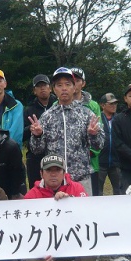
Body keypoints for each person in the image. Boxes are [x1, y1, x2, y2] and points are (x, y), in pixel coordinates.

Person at [18, 155, 97, 261]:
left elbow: (88, 215)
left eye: (57, 170)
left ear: (64, 172)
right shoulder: (32, 195)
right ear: (41, 173)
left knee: (90, 240)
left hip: (73, 239)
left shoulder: (77, 187)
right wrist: (40, 249)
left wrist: (70, 202)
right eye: (49, 170)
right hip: (46, 243)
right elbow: (25, 227)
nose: (53, 174)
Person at [28, 67, 105, 196]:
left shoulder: (86, 114)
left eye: (68, 84)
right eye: (59, 85)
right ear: (53, 89)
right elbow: (36, 150)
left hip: (81, 179)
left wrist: (94, 134)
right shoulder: (47, 117)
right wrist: (37, 136)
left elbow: (99, 145)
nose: (64, 88)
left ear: (74, 88)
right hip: (54, 183)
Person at [70, 67, 103, 196]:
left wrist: (88, 152)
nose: (74, 83)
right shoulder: (57, 104)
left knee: (89, 201)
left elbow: (100, 134)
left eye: (77, 80)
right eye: (70, 80)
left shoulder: (93, 105)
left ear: (83, 83)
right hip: (64, 166)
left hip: (89, 165)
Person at [23, 74, 56, 189]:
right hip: (35, 158)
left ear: (50, 88)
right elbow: (22, 134)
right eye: (39, 86)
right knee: (36, 189)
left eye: (45, 85)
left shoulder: (57, 106)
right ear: (34, 91)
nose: (42, 88)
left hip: (55, 155)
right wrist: (33, 129)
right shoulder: (28, 109)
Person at [98, 92, 122, 195]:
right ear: (102, 105)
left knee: (119, 191)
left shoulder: (119, 119)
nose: (114, 106)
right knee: (97, 192)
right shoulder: (97, 118)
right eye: (111, 104)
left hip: (116, 161)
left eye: (115, 104)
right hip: (100, 161)